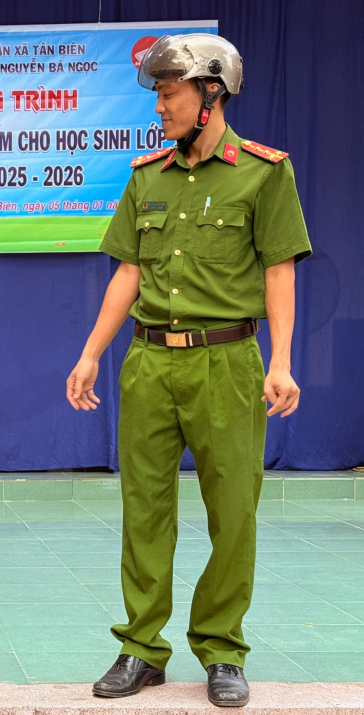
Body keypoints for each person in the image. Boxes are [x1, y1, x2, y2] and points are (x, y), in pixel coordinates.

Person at [65, 34, 311, 707]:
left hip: (227, 361)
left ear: (210, 93)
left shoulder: (263, 172)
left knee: (232, 510)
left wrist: (282, 361)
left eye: (168, 93)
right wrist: (91, 350)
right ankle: (141, 649)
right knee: (142, 509)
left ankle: (221, 647)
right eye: (157, 94)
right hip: (147, 362)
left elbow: (278, 270)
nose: (160, 106)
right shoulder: (147, 175)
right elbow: (127, 270)